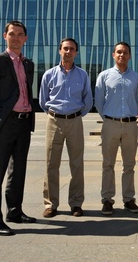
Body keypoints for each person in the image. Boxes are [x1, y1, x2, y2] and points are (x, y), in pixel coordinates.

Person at [0, 20, 36, 236]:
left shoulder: (28, 64)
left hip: (24, 122)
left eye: (20, 34)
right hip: (3, 123)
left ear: (25, 38)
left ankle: (14, 211)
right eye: (12, 34)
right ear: (5, 36)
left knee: (18, 171)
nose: (16, 38)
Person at [39, 37, 93, 218]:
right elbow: (43, 101)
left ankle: (76, 203)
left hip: (75, 121)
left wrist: (76, 116)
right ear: (59, 51)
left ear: (76, 53)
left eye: (72, 49)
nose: (68, 52)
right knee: (50, 163)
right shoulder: (49, 74)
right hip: (54, 120)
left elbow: (88, 100)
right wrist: (55, 113)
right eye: (65, 48)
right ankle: (50, 204)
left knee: (76, 164)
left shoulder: (83, 75)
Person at [94, 41, 138, 215]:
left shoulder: (136, 77)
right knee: (108, 164)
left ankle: (129, 199)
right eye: (119, 52)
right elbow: (98, 101)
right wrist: (108, 118)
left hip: (130, 125)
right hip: (110, 124)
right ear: (113, 55)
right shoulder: (104, 76)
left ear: (129, 56)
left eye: (125, 52)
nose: (122, 55)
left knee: (129, 165)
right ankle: (107, 199)